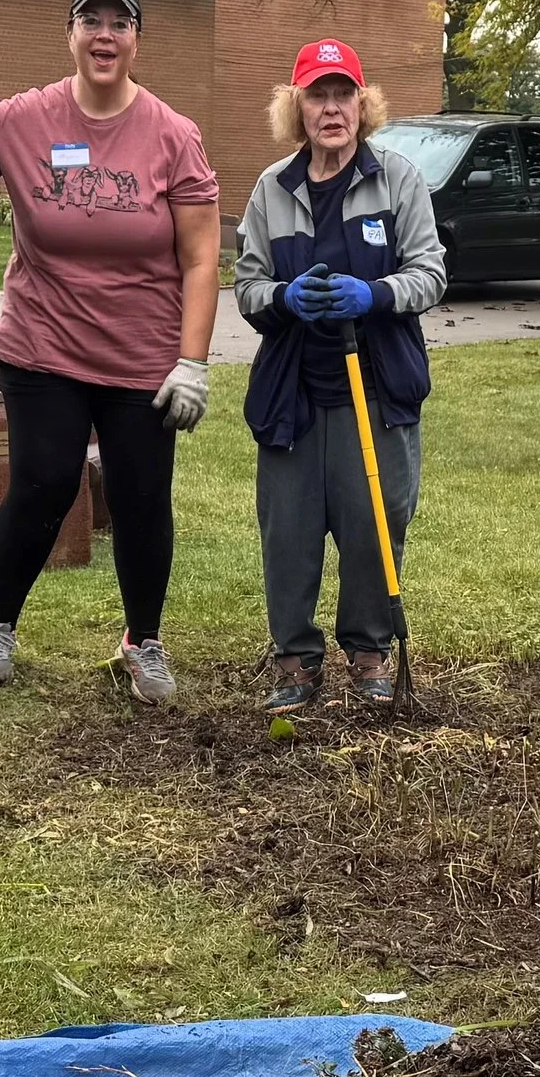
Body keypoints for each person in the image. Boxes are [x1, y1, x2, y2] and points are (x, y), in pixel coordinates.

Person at [0, 0, 221, 705]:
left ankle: (142, 641)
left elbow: (202, 257)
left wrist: (192, 362)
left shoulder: (174, 135)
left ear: (138, 38)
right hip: (42, 343)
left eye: (120, 22)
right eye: (91, 20)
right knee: (44, 480)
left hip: (142, 351)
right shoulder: (22, 120)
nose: (104, 35)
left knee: (143, 497)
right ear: (70, 33)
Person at [234, 38, 446, 708]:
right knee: (289, 532)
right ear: (296, 107)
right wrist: (282, 300)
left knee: (373, 521)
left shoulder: (398, 181)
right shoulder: (274, 188)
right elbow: (246, 287)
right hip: (294, 392)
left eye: (343, 93)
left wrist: (374, 294)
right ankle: (294, 659)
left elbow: (431, 273)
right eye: (317, 95)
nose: (332, 107)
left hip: (376, 389)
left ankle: (369, 650)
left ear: (363, 102)